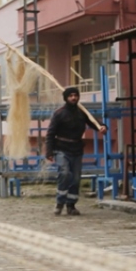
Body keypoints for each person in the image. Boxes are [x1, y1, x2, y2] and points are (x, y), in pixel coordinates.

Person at [44, 86, 107, 216]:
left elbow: (95, 123)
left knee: (76, 178)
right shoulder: (59, 113)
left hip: (77, 149)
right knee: (65, 173)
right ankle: (60, 202)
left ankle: (71, 205)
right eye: (70, 95)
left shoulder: (82, 112)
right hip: (61, 149)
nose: (73, 98)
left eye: (75, 95)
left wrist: (102, 127)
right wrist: (49, 152)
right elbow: (50, 134)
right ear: (66, 98)